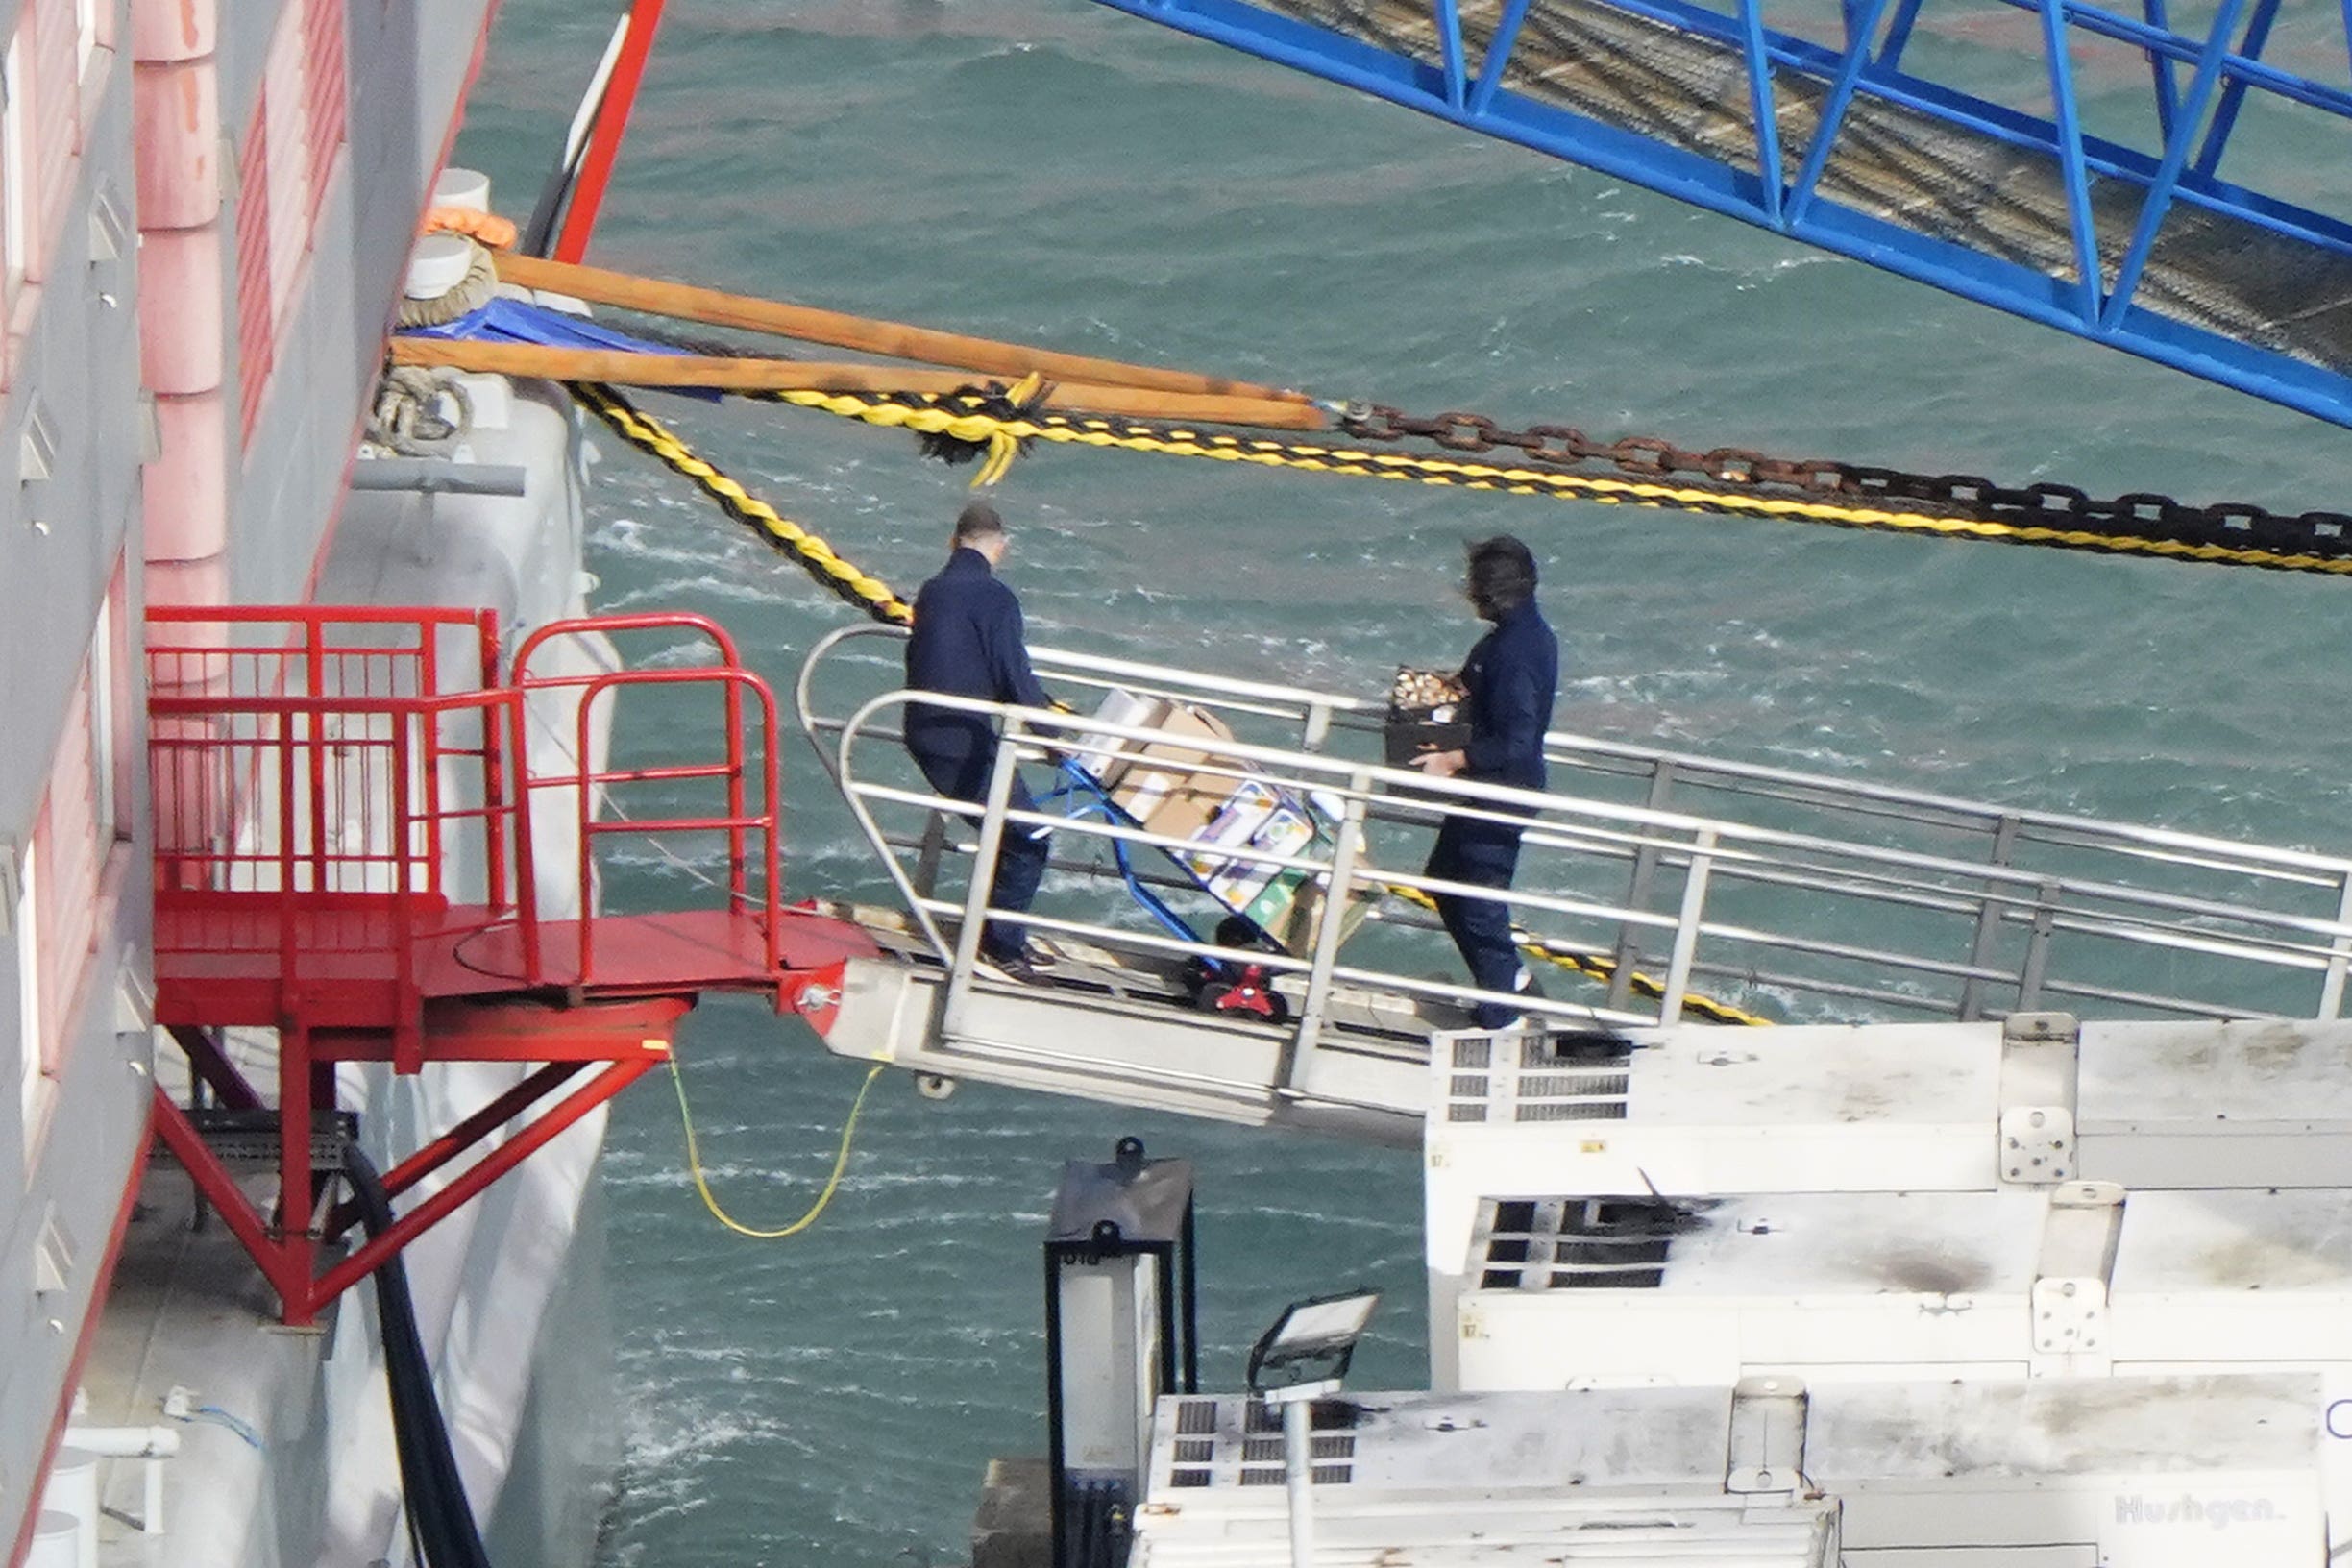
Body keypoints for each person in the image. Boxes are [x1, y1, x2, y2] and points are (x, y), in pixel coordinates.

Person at [903, 502, 1058, 978]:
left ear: (953, 543)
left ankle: (997, 933)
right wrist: (1053, 737)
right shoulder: (996, 599)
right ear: (1001, 548)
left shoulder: (933, 591)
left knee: (1006, 832)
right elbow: (1014, 675)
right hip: (962, 741)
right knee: (1031, 837)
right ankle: (1002, 945)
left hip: (926, 730)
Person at [1410, 535, 1558, 1028]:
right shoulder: (1519, 636)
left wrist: (1454, 757)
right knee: (1447, 879)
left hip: (1500, 793)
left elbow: (1517, 740)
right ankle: (1510, 981)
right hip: (1485, 789)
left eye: (1475, 587)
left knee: (1478, 901)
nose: (1469, 595)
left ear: (1492, 594)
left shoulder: (1515, 652)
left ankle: (1503, 1017)